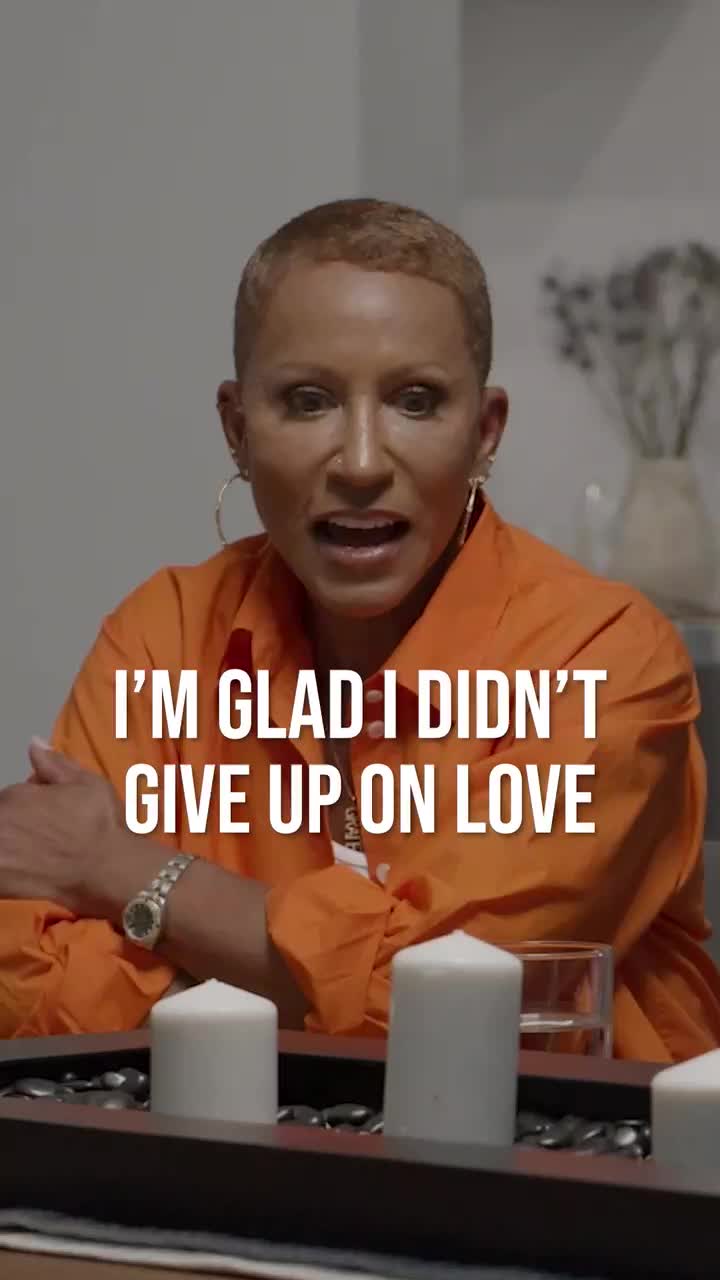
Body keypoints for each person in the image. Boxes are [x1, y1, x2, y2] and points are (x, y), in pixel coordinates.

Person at [0, 197, 718, 1061]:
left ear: (485, 433)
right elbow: (33, 993)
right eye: (309, 402)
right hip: (213, 1144)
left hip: (571, 1143)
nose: (364, 462)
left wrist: (121, 870)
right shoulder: (164, 634)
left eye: (417, 401)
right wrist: (305, 977)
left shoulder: (605, 656)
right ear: (237, 430)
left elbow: (442, 995)